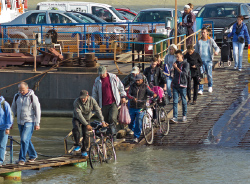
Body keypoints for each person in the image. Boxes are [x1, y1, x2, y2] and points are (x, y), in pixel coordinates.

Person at [92, 66, 126, 139]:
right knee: (105, 120)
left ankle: (114, 134)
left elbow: (121, 86)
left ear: (106, 71)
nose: (102, 75)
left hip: (113, 102)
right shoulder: (97, 80)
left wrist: (123, 96)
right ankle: (108, 136)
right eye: (100, 74)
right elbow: (94, 92)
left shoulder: (113, 77)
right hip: (103, 104)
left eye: (103, 73)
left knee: (112, 118)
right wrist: (93, 102)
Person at [11, 82, 41, 165]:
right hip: (20, 122)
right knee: (26, 140)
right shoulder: (16, 96)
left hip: (29, 121)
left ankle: (22, 159)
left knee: (24, 139)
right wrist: (11, 121)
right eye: (20, 90)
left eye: (23, 90)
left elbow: (37, 110)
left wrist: (37, 123)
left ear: (27, 88)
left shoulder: (32, 97)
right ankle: (33, 155)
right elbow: (13, 109)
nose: (21, 92)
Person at [72, 90, 107, 156]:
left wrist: (102, 121)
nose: (82, 99)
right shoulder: (76, 102)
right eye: (81, 98)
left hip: (87, 118)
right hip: (77, 118)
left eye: (84, 98)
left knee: (86, 133)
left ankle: (84, 150)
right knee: (75, 128)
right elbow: (79, 115)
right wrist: (87, 124)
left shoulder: (92, 100)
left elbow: (98, 110)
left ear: (87, 96)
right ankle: (77, 145)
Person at [127, 74, 157, 143]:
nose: (137, 81)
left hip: (141, 107)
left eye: (138, 80)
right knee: (129, 122)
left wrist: (153, 94)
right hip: (132, 106)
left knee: (138, 120)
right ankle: (137, 130)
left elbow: (150, 92)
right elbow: (128, 94)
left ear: (142, 80)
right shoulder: (132, 86)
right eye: (136, 80)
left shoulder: (145, 86)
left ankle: (136, 136)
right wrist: (132, 98)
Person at [195, 27, 220, 94]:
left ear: (207, 33)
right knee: (201, 75)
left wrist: (216, 52)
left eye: (204, 32)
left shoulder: (210, 40)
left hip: (208, 60)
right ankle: (201, 89)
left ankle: (210, 86)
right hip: (201, 61)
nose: (203, 34)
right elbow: (196, 51)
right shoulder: (199, 41)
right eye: (202, 32)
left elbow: (217, 47)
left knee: (209, 74)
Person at [171, 50, 189, 123]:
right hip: (175, 84)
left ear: (182, 56)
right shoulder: (175, 63)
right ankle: (175, 117)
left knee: (184, 100)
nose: (177, 58)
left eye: (178, 56)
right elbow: (174, 74)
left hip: (182, 84)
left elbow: (184, 74)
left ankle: (184, 115)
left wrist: (176, 68)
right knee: (175, 101)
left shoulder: (186, 64)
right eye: (176, 57)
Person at [0, 94, 13, 166]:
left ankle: (0, 161)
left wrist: (8, 127)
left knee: (2, 145)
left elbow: (9, 116)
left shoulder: (5, 104)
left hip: (3, 128)